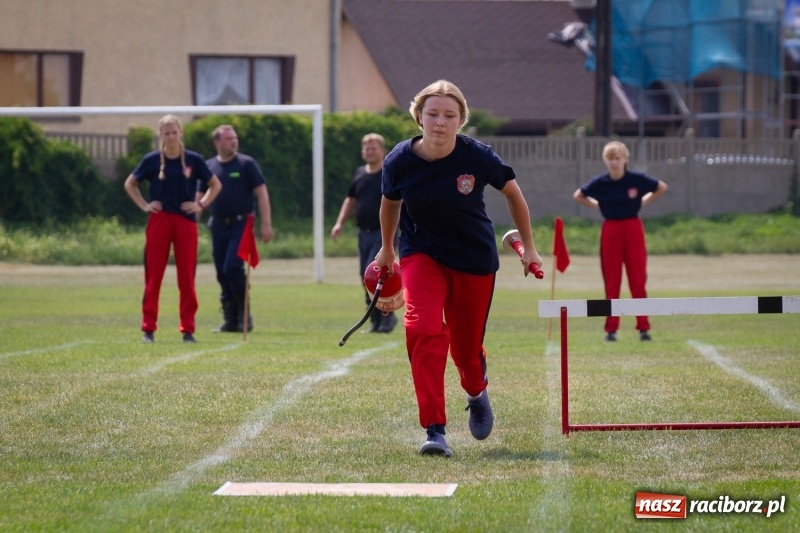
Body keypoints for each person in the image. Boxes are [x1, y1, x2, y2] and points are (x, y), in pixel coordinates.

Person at [374, 80, 543, 457]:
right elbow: (390, 203)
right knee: (421, 328)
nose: (440, 122)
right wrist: (387, 249)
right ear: (419, 116)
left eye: (449, 115)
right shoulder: (399, 160)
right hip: (421, 253)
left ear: (460, 120)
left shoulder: (478, 156)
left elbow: (513, 193)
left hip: (473, 259)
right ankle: (435, 430)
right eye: (432, 114)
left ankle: (476, 392)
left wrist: (529, 248)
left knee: (466, 352)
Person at [124, 114, 222, 344]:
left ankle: (188, 329)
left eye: (174, 132)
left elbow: (215, 184)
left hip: (185, 221)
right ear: (160, 135)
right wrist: (144, 205)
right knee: (154, 275)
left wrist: (201, 204)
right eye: (166, 133)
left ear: (181, 133)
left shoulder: (194, 160)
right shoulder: (151, 160)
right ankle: (148, 329)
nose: (170, 137)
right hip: (160, 220)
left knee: (186, 276)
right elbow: (130, 183)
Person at [573, 140, 668, 342]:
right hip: (611, 229)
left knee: (637, 279)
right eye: (610, 159)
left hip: (633, 227)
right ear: (605, 161)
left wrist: (643, 201)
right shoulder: (601, 183)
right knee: (612, 280)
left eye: (617, 158)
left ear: (625, 159)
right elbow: (579, 195)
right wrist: (597, 205)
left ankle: (643, 327)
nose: (614, 162)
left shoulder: (636, 179)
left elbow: (660, 187)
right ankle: (611, 329)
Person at [201, 124, 274, 333]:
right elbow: (199, 198)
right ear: (217, 142)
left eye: (235, 138)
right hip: (217, 225)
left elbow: (262, 193)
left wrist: (266, 224)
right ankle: (230, 319)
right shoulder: (209, 166)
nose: (234, 142)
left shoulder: (246, 164)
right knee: (221, 272)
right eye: (228, 139)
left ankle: (244, 314)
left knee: (232, 267)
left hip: (241, 223)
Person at [331, 133, 398, 334]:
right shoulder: (360, 173)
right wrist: (339, 223)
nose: (369, 152)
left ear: (383, 151)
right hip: (364, 233)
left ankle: (387, 317)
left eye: (373, 148)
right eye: (366, 148)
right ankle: (375, 320)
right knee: (365, 276)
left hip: (382, 233)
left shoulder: (389, 172)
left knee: (377, 275)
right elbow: (350, 199)